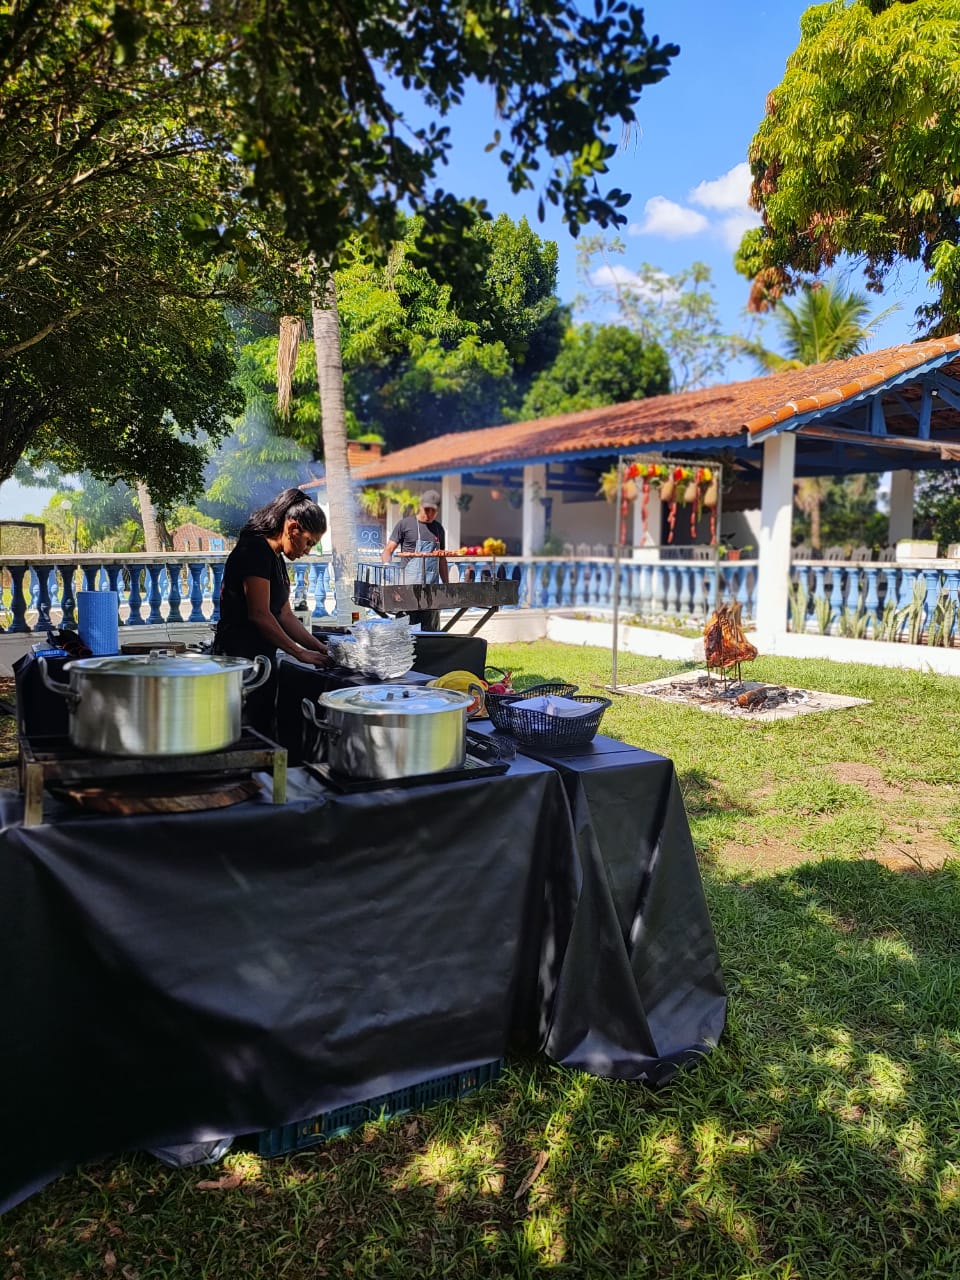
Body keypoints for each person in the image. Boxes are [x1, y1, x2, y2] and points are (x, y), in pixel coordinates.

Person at [214, 488, 330, 735]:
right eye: (309, 542)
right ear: (292, 528)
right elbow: (260, 613)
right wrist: (299, 653)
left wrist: (319, 647)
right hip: (240, 660)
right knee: (243, 731)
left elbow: (284, 615)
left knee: (263, 726)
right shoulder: (254, 550)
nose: (308, 550)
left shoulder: (275, 557)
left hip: (261, 659)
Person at [382, 488, 448, 631]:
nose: (429, 514)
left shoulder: (438, 529)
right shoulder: (405, 524)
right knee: (406, 632)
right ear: (420, 506)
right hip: (407, 589)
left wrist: (447, 584)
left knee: (431, 631)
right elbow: (388, 550)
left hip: (431, 591)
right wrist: (388, 569)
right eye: (427, 509)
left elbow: (442, 558)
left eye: (433, 511)